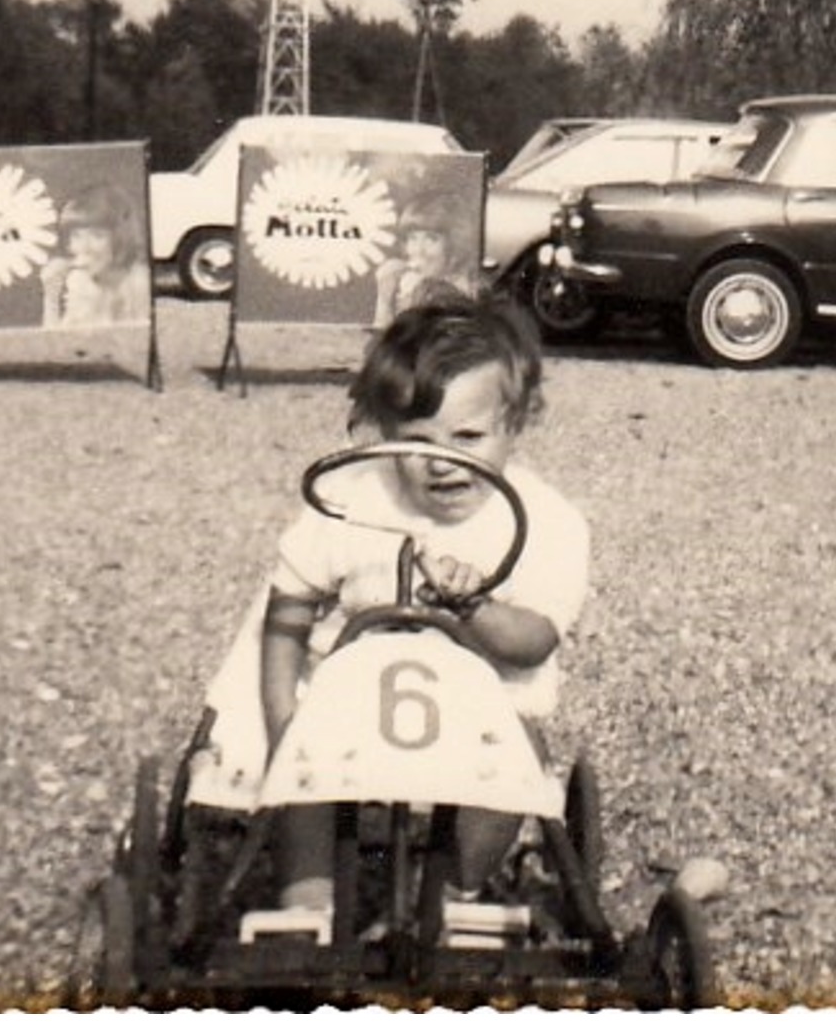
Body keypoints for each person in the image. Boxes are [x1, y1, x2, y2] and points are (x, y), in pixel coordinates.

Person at [191, 294, 590, 927]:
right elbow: (288, 609)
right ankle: (308, 903)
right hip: (345, 689)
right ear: (381, 429)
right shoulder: (354, 499)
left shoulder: (547, 522)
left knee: (516, 765)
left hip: (482, 693)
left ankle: (455, 893)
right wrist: (281, 715)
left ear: (517, 421)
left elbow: (533, 641)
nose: (441, 462)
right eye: (416, 440)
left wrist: (473, 607)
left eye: (468, 437)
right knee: (304, 765)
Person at [40, 184, 150, 328]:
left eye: (97, 236)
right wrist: (51, 298)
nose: (83, 247)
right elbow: (56, 347)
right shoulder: (79, 282)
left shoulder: (139, 282)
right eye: (76, 236)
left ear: (120, 238)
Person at [371, 194, 480, 329]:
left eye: (431, 239)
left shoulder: (465, 291)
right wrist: (384, 298)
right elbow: (383, 344)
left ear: (455, 243)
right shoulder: (409, 286)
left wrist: (414, 298)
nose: (418, 250)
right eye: (412, 238)